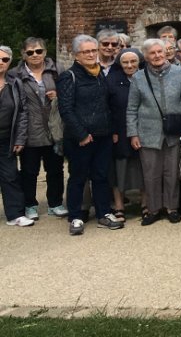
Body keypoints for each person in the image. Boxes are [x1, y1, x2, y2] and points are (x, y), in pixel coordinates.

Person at [58, 34, 123, 234]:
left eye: (93, 51)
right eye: (85, 51)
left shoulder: (99, 73)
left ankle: (103, 213)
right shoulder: (69, 76)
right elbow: (66, 109)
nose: (90, 54)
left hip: (103, 135)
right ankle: (76, 216)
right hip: (81, 138)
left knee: (101, 176)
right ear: (76, 55)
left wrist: (111, 130)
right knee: (78, 177)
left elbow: (106, 105)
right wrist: (81, 134)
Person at [126, 38, 181, 225]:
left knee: (171, 172)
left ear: (166, 53)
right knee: (151, 173)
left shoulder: (180, 74)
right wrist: (133, 133)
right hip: (147, 132)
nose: (157, 56)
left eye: (159, 52)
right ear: (145, 56)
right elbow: (132, 108)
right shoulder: (138, 77)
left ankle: (172, 208)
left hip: (174, 131)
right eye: (152, 53)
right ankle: (153, 209)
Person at [13, 37, 65, 220]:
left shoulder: (57, 70)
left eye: (38, 51)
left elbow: (68, 93)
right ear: (23, 55)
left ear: (45, 52)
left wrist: (58, 95)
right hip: (30, 132)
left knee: (55, 170)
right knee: (29, 171)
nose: (35, 55)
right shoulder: (15, 74)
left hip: (53, 130)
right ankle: (30, 205)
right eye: (30, 52)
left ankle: (55, 203)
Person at [105, 47, 143, 220]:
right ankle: (119, 205)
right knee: (118, 169)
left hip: (143, 129)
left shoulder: (145, 77)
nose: (129, 65)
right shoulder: (111, 80)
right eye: (125, 62)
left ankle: (145, 203)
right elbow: (106, 107)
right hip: (119, 131)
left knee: (143, 168)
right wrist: (112, 130)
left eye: (133, 61)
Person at [0, 46, 32, 227]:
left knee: (10, 176)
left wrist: (20, 138)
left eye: (4, 60)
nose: (0, 63)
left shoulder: (14, 83)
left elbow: (22, 112)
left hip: (6, 138)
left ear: (9, 62)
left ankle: (15, 214)